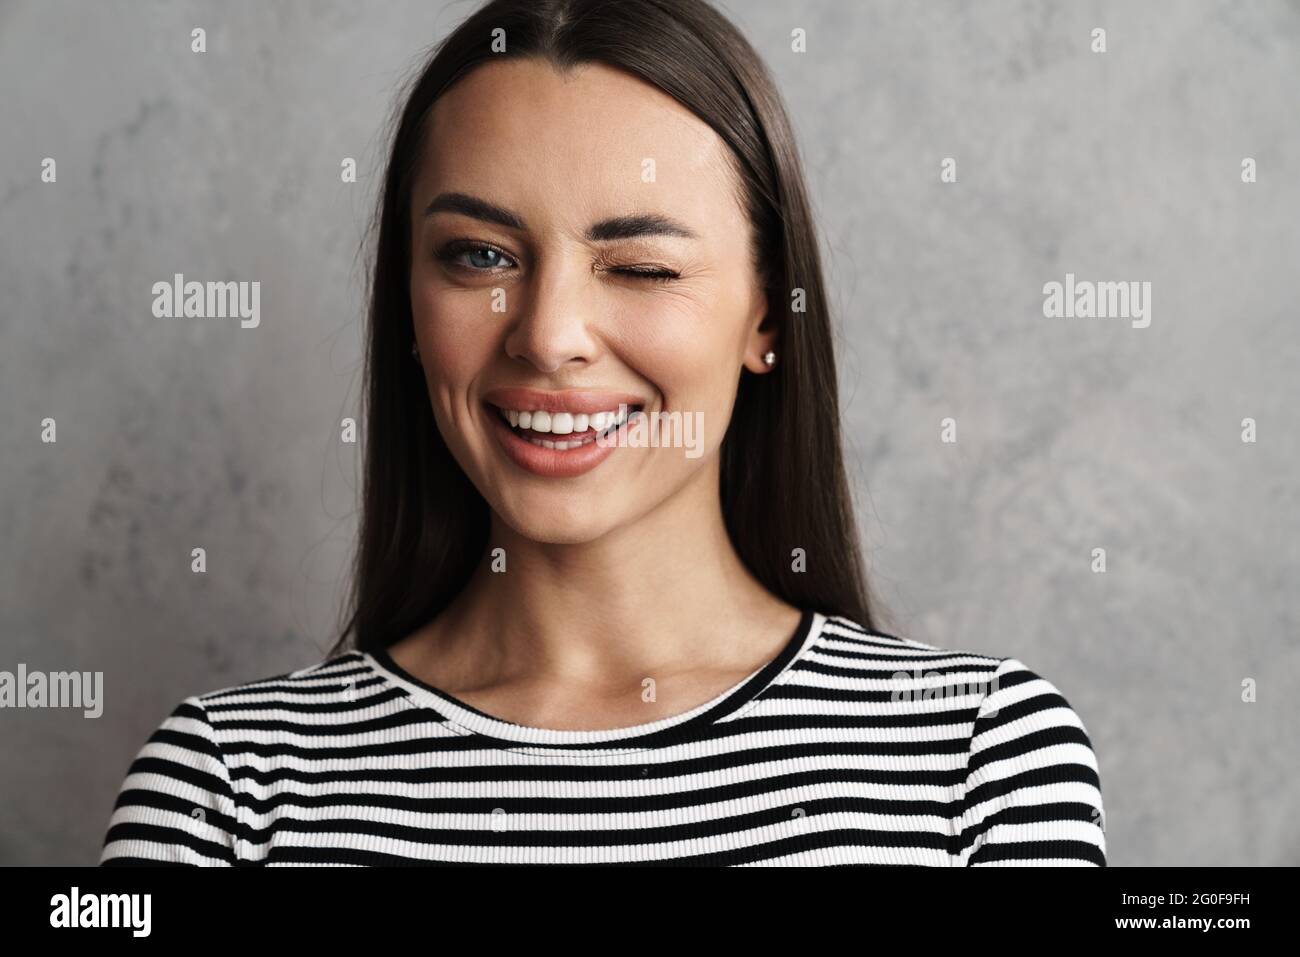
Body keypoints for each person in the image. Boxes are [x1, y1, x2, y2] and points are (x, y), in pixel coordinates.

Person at [100, 0, 1105, 866]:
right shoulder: (224, 791)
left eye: (640, 266)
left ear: (766, 315)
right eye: (479, 256)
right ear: (406, 304)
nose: (548, 335)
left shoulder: (978, 756)